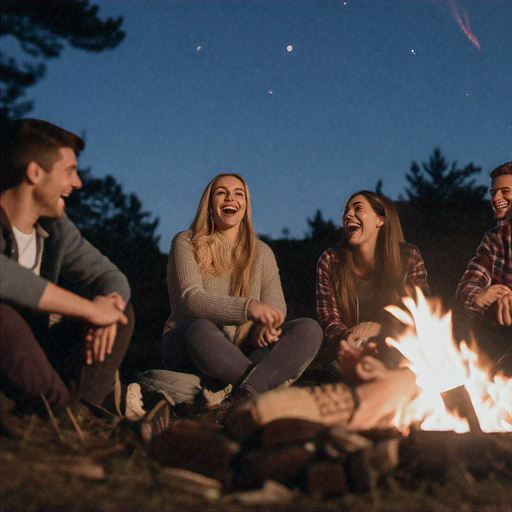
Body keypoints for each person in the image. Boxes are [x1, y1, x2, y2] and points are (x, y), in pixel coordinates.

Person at [1, 118, 137, 432]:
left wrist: (108, 307)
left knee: (121, 312)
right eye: (69, 171)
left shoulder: (54, 228)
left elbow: (109, 274)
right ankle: (62, 415)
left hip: (36, 358)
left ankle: (77, 413)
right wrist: (91, 309)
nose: (77, 183)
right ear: (35, 172)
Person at [161, 173, 322, 412]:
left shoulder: (262, 252)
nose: (230, 198)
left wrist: (265, 328)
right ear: (209, 204)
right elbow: (190, 300)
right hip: (192, 344)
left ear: (245, 206)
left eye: (239, 194)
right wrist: (248, 308)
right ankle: (263, 386)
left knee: (308, 328)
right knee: (201, 328)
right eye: (221, 192)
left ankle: (246, 390)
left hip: (241, 351)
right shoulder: (186, 242)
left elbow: (276, 306)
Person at [315, 190, 430, 379]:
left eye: (357, 208)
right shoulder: (330, 261)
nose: (348, 215)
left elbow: (420, 309)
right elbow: (328, 320)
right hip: (349, 351)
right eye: (346, 211)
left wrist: (380, 333)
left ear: (380, 220)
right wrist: (351, 338)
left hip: (398, 348)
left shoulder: (408, 257)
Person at [456, 162, 511, 372]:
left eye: (505, 192)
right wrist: (478, 298)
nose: (496, 199)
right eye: (493, 193)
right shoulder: (494, 239)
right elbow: (468, 285)